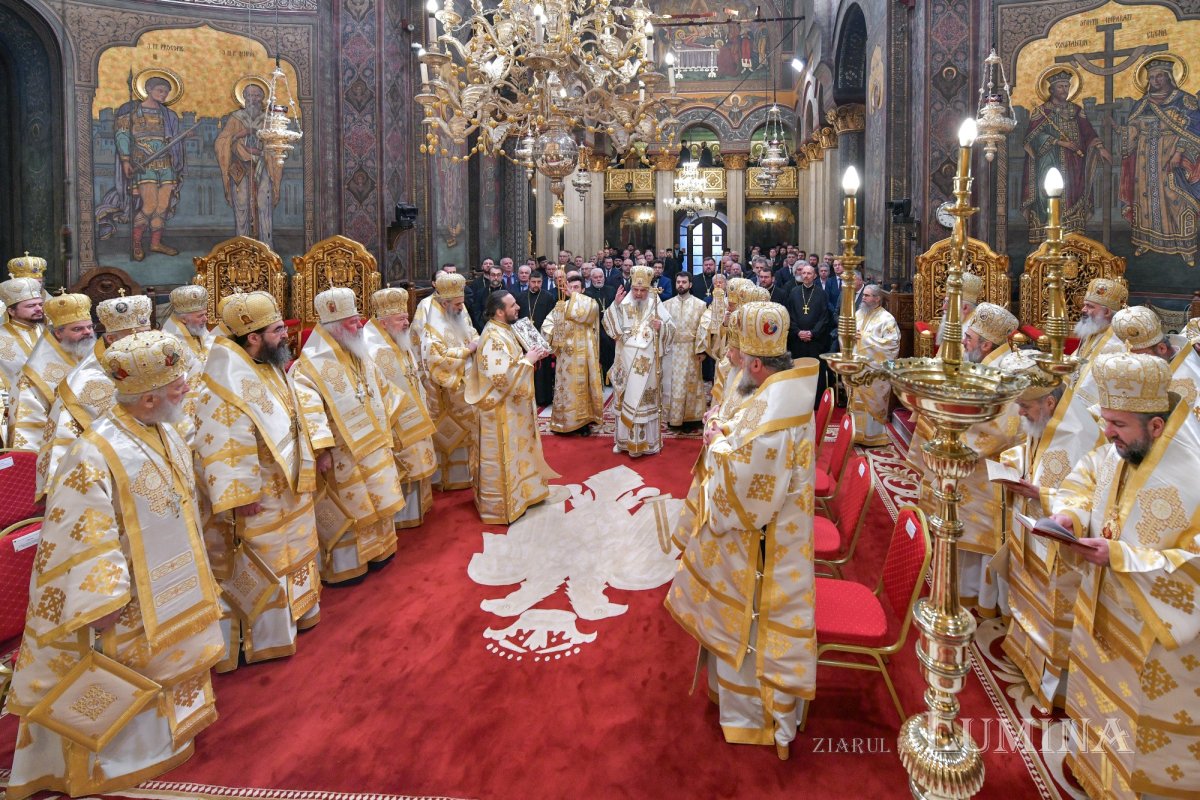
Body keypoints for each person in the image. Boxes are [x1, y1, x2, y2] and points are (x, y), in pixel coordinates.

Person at [6, 331, 224, 799]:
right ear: (147, 399)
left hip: (170, 582)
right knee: (127, 657)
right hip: (121, 601)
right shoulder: (93, 453)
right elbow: (81, 533)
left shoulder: (161, 430)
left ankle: (167, 736)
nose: (186, 386)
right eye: (176, 383)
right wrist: (102, 598)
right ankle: (116, 757)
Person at [665, 302, 819, 761]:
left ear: (755, 363)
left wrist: (716, 446)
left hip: (763, 551)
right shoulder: (780, 392)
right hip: (765, 538)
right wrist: (724, 429)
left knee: (752, 624)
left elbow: (750, 496)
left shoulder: (778, 419)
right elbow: (741, 422)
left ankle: (756, 715)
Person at [1049, 352, 1200, 799]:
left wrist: (1121, 556)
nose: (1107, 431)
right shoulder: (1118, 451)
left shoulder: (1193, 476)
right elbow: (1086, 478)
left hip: (1154, 635)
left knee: (1140, 726)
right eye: (1106, 420)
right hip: (1100, 610)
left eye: (1118, 424)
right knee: (1098, 704)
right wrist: (1070, 515)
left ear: (1156, 425)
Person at [194, 290, 321, 668]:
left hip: (286, 482)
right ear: (253, 337)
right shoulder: (225, 378)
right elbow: (225, 441)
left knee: (294, 547)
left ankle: (298, 613)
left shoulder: (264, 363)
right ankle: (263, 636)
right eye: (278, 329)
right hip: (258, 494)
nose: (286, 334)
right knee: (266, 557)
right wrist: (241, 494)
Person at [911, 303, 1022, 612]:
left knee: (976, 536)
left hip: (986, 470)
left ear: (987, 344)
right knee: (956, 525)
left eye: (968, 338)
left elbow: (1004, 429)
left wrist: (953, 434)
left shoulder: (1008, 371)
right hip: (966, 464)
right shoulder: (981, 361)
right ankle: (957, 585)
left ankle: (977, 597)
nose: (963, 343)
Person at [292, 287, 406, 582]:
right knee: (352, 507)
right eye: (354, 321)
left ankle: (381, 550)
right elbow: (308, 410)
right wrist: (321, 450)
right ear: (337, 326)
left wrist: (391, 420)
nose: (360, 325)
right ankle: (348, 566)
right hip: (343, 454)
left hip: (373, 443)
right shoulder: (310, 366)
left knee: (378, 496)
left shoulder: (357, 351)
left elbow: (380, 389)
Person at [993, 351, 1075, 712]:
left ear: (1050, 401)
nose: (1020, 413)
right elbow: (1029, 454)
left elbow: (1086, 498)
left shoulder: (1075, 436)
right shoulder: (1043, 421)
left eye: (1025, 406)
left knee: (1049, 604)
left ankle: (1051, 686)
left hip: (1055, 542)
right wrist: (1014, 468)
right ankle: (1023, 654)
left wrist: (1041, 493)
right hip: (1029, 526)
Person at [39, 294, 153, 497]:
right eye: (134, 335)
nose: (144, 342)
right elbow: (63, 449)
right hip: (107, 479)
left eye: (146, 334)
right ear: (111, 339)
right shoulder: (82, 383)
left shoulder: (150, 363)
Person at [466, 290, 558, 523]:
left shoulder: (505, 330)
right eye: (512, 305)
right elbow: (501, 377)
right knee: (507, 454)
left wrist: (531, 356)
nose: (517, 307)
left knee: (521, 451)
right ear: (499, 311)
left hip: (514, 407)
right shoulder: (493, 337)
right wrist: (528, 360)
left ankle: (526, 492)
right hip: (500, 412)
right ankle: (506, 505)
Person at [362, 288, 437, 528]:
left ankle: (419, 507)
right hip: (394, 419)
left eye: (406, 317)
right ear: (384, 322)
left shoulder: (398, 339)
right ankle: (402, 515)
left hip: (412, 410)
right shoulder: (372, 348)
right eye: (400, 319)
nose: (407, 323)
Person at [1119, 57, 1200, 265]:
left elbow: (1194, 131)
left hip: (1171, 153)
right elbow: (1134, 128)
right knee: (1145, 198)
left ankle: (1185, 247)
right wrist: (1124, 132)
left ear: (1169, 76)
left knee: (1176, 197)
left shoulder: (1185, 101)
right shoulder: (1142, 103)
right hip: (1145, 157)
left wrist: (1179, 152)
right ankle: (1146, 240)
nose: (1155, 80)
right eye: (1151, 77)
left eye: (1159, 76)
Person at [96, 76, 186, 261]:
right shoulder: (131, 112)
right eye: (160, 90)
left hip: (166, 164)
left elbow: (173, 139)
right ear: (148, 89)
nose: (163, 95)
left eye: (166, 92)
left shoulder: (169, 116)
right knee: (150, 205)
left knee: (162, 207)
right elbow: (122, 135)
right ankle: (136, 243)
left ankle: (155, 243)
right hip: (144, 164)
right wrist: (126, 160)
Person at [1020, 68, 1109, 241]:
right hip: (1048, 160)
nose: (1064, 90)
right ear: (1051, 90)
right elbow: (1031, 138)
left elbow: (1088, 132)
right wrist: (1059, 142)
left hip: (1074, 162)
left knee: (1073, 192)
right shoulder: (1041, 112)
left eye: (1067, 87)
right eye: (1060, 87)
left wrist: (1100, 147)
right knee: (1046, 193)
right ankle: (1046, 234)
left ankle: (1072, 233)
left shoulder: (1076, 110)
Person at [603, 265, 676, 456]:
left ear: (649, 289)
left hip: (647, 363)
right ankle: (623, 442)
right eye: (635, 289)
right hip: (625, 362)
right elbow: (610, 328)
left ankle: (648, 443)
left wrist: (661, 327)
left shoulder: (655, 303)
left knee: (643, 401)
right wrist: (615, 306)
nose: (638, 294)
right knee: (625, 397)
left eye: (643, 290)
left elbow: (671, 329)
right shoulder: (623, 302)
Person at [8, 293, 93, 452]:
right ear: (58, 333)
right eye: (78, 329)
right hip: (60, 451)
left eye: (89, 327)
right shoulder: (33, 377)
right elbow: (28, 430)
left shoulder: (97, 360)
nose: (87, 332)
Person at [421, 272, 480, 490]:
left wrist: (476, 340)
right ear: (445, 302)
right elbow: (435, 358)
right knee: (449, 430)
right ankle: (446, 479)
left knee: (468, 429)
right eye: (457, 305)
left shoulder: (458, 311)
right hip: (446, 388)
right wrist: (467, 350)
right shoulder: (431, 323)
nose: (461, 308)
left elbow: (470, 330)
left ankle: (465, 475)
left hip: (466, 381)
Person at [215, 81, 281, 246]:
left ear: (262, 98)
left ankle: (266, 246)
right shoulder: (236, 118)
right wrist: (239, 135)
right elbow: (221, 142)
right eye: (250, 95)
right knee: (242, 203)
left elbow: (277, 144)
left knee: (263, 203)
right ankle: (242, 245)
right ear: (243, 97)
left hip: (262, 166)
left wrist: (261, 152)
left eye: (257, 95)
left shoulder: (268, 120)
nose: (253, 99)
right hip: (240, 167)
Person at [541, 272, 604, 435]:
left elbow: (586, 313)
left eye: (576, 287)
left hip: (585, 354)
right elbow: (547, 326)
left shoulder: (589, 303)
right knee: (567, 389)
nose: (572, 290)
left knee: (583, 387)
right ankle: (564, 422)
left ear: (583, 289)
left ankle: (583, 423)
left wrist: (571, 297)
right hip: (566, 356)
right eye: (570, 287)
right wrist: (554, 333)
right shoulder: (560, 306)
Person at [848, 283, 899, 446]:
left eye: (867, 295)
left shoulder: (887, 319)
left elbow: (892, 345)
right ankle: (855, 434)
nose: (863, 298)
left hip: (874, 372)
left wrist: (864, 338)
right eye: (863, 295)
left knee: (870, 406)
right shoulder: (859, 314)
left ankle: (872, 437)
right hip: (857, 368)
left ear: (877, 299)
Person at [660, 272, 709, 429]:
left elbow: (703, 329)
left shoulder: (700, 305)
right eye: (678, 282)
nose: (680, 284)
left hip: (691, 350)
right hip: (672, 350)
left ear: (690, 284)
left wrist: (702, 350)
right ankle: (674, 418)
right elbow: (663, 329)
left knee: (691, 383)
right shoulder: (666, 304)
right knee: (673, 384)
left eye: (684, 282)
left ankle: (691, 418)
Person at [787, 263, 830, 394]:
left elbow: (824, 317)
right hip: (797, 340)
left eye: (809, 273)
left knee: (814, 372)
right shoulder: (794, 292)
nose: (806, 276)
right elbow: (789, 315)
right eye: (804, 273)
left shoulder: (821, 294)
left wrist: (812, 333)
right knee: (798, 370)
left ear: (815, 276)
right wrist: (798, 332)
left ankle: (816, 400)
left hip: (815, 341)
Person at [518, 271, 558, 406]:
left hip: (542, 338)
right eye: (533, 282)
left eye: (539, 282)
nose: (536, 285)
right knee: (528, 369)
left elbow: (553, 319)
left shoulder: (549, 297)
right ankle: (528, 397)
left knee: (543, 370)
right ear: (528, 281)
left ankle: (544, 398)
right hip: (525, 340)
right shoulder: (521, 297)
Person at [0, 277, 44, 399]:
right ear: (11, 311)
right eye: (31, 306)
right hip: (13, 399)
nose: (39, 309)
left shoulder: (49, 331)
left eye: (40, 304)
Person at [934, 272, 982, 349]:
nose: (944, 307)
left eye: (949, 303)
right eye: (945, 301)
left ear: (965, 308)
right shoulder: (958, 322)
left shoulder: (972, 333)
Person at [585, 266, 617, 381]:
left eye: (600, 277)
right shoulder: (587, 293)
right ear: (591, 278)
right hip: (595, 329)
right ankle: (599, 380)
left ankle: (610, 379)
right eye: (595, 277)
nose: (598, 279)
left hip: (610, 328)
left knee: (611, 354)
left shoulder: (611, 290)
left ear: (604, 277)